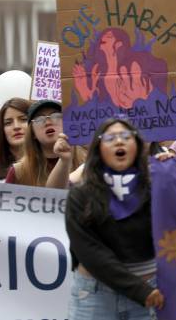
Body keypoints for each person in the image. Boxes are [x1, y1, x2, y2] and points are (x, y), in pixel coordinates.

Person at [65, 118, 164, 319]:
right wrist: (139, 290)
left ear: (137, 146)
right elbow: (91, 252)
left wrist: (172, 172)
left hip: (149, 294)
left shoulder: (156, 188)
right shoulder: (80, 196)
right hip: (96, 297)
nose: (119, 142)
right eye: (110, 138)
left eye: (126, 137)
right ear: (98, 149)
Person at [6, 100, 84, 188]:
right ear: (33, 133)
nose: (48, 122)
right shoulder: (18, 172)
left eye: (56, 116)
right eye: (39, 119)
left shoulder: (88, 163)